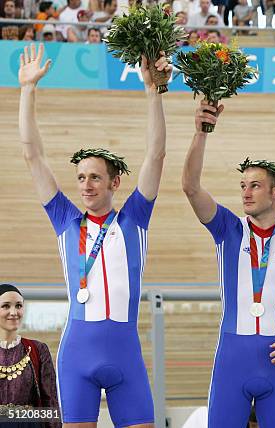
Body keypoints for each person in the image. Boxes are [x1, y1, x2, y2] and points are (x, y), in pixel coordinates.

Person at [18, 43, 171, 427]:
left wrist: (153, 93)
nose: (86, 185)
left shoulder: (134, 218)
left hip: (126, 355)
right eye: (81, 177)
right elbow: (33, 155)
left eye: (95, 177)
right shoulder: (65, 219)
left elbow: (155, 156)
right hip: (77, 355)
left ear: (115, 182)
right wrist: (27, 90)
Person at [182, 102, 275, 428]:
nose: (246, 192)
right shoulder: (228, 229)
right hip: (232, 360)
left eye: (255, 185)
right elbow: (190, 186)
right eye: (243, 186)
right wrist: (201, 133)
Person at [0, 284, 60, 428]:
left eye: (19, 306)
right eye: (6, 306)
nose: (14, 312)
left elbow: (50, 402)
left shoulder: (37, 350)